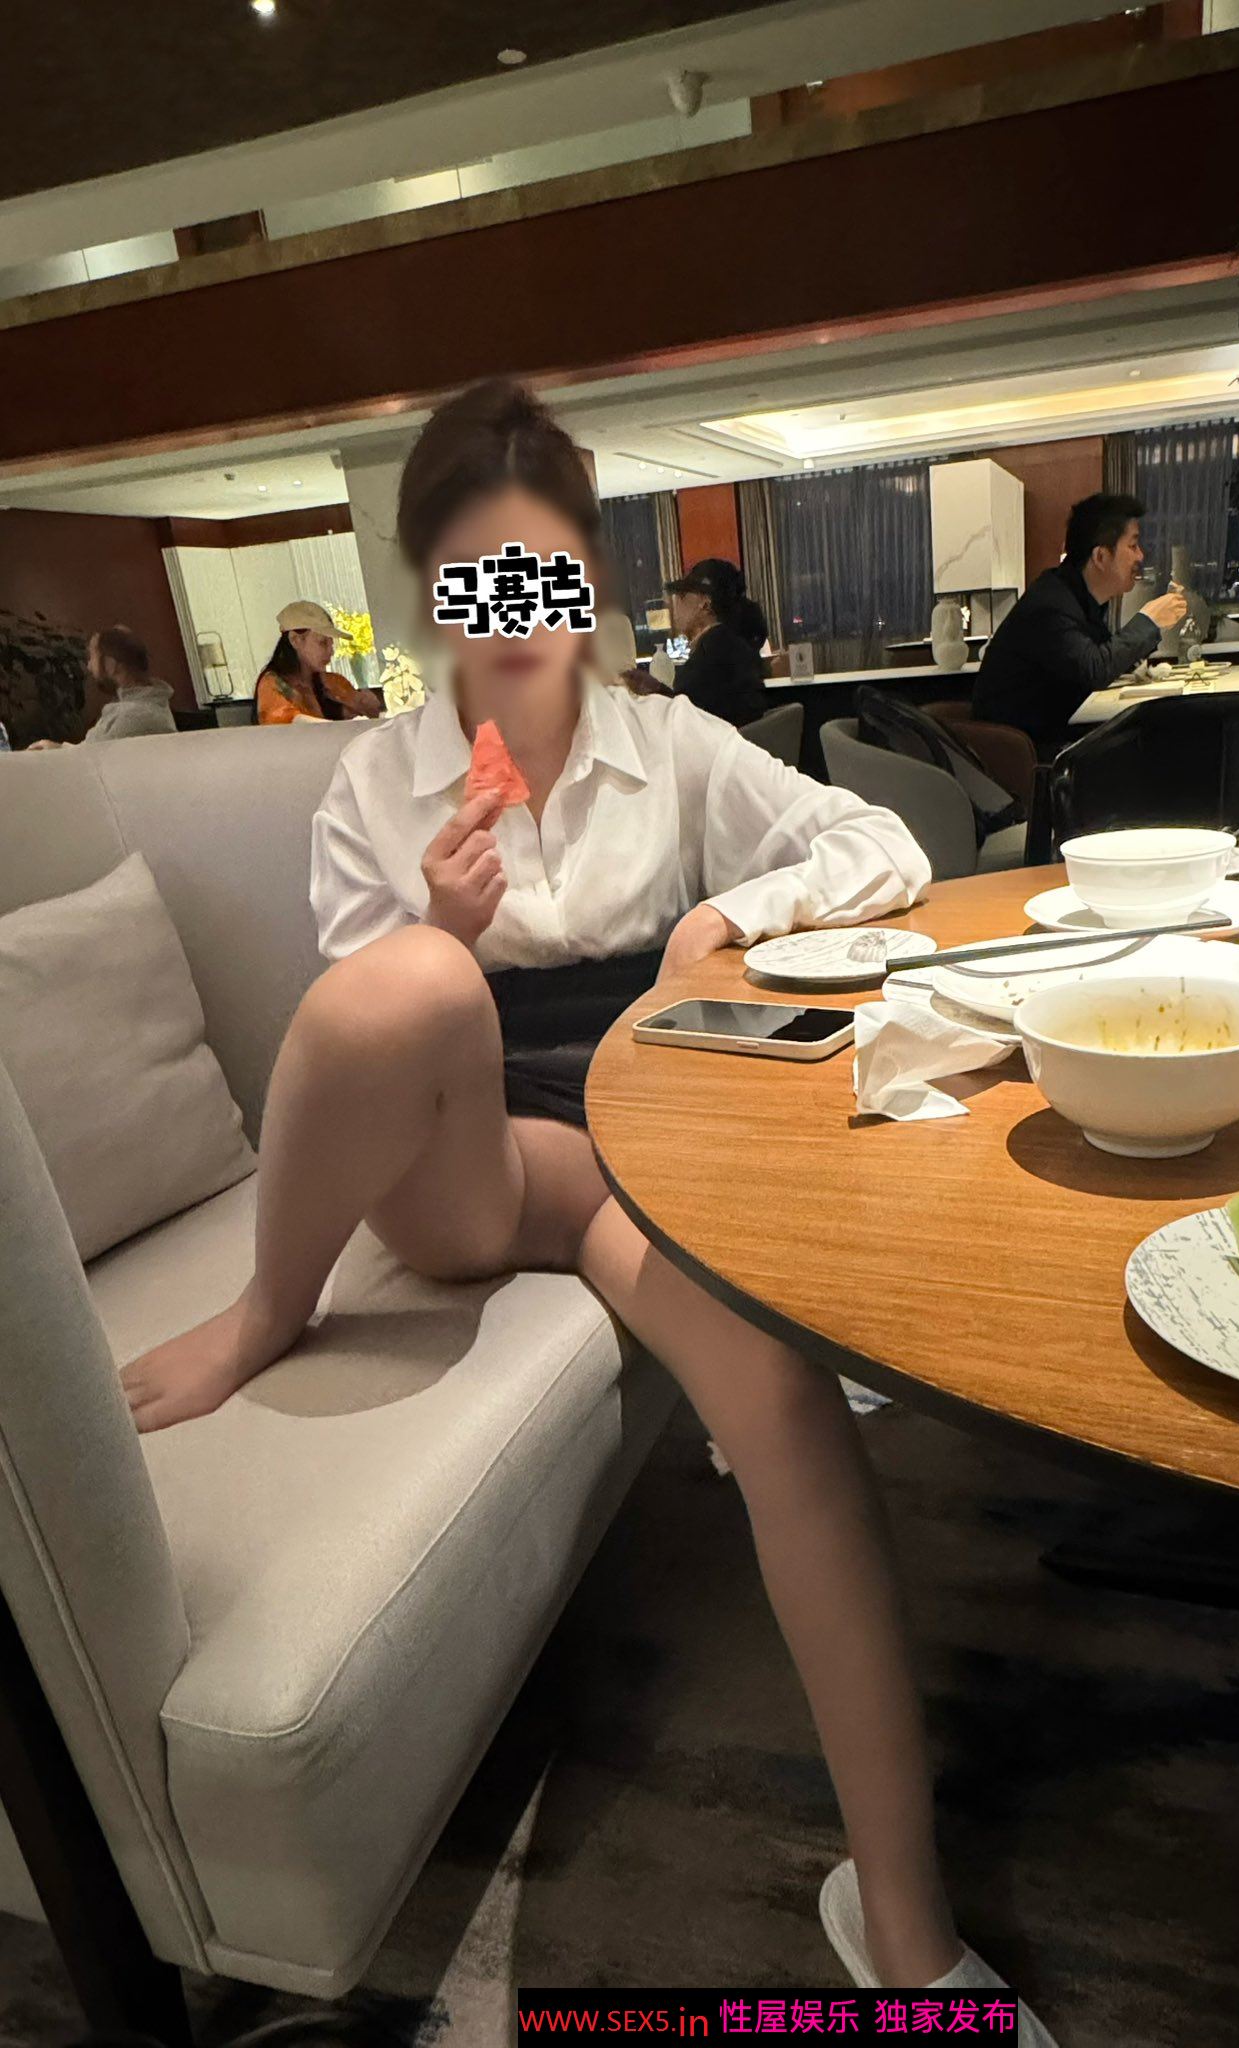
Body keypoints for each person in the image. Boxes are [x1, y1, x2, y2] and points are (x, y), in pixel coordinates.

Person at [118, 381, 1056, 2033]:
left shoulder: (666, 742)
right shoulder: (378, 776)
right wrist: (439, 922)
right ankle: (270, 1305)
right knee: (411, 981)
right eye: (475, 580)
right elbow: (356, 1042)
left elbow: (875, 842)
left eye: (540, 573)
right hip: (458, 1150)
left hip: (636, 1139)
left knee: (779, 1397)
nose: (514, 617)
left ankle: (898, 1922)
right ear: (432, 594)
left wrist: (727, 915)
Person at [970, 493, 1189, 751]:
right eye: (1132, 546)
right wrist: (1149, 620)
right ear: (1100, 557)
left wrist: (1151, 628)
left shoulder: (1079, 598)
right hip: (1024, 752)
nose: (1140, 556)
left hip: (1055, 737)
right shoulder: (1050, 604)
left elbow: (1104, 659)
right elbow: (1095, 669)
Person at [26, 625, 177, 749]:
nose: (89, 666)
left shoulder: (135, 716)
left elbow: (92, 758)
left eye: (92, 657)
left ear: (111, 665)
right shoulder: (143, 705)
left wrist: (56, 750)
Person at [662, 556, 770, 727]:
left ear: (705, 604)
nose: (676, 605)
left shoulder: (707, 658)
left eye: (682, 595)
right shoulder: (735, 646)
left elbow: (682, 722)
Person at [255, 601, 384, 725]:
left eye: (331, 644)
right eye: (322, 643)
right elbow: (288, 722)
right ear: (295, 640)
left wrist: (367, 705)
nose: (331, 651)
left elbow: (366, 714)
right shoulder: (272, 684)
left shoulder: (334, 682)